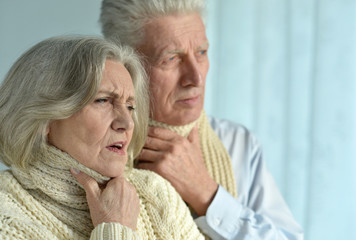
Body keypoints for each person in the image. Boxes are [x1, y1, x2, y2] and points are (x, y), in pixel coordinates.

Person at [100, 0, 304, 239]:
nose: (195, 77)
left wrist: (207, 194)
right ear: (126, 65)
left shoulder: (238, 143)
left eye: (201, 53)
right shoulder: (95, 149)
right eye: (171, 58)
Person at [0, 36, 205, 239]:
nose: (127, 123)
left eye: (130, 106)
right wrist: (116, 228)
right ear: (44, 118)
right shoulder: (6, 216)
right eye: (103, 100)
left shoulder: (156, 192)